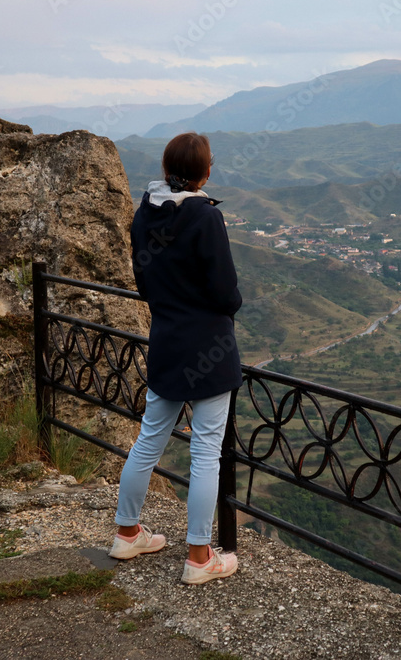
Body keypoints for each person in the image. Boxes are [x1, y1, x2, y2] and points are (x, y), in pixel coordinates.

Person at [109, 132, 242, 585]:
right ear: (205, 172)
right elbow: (226, 292)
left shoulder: (144, 213)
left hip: (165, 339)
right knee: (206, 452)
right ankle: (200, 558)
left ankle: (127, 534)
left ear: (167, 169)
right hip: (209, 346)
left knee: (148, 440)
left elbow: (145, 284)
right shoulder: (205, 217)